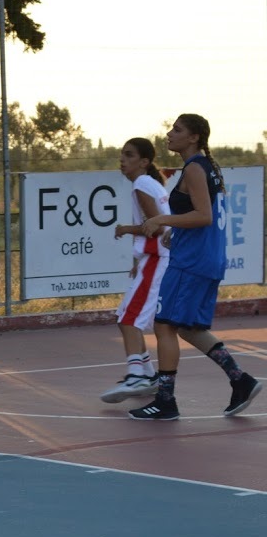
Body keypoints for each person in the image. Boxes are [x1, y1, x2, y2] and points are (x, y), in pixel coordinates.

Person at [129, 114, 261, 420]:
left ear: (193, 137)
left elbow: (204, 216)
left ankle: (166, 401)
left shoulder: (194, 169)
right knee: (189, 328)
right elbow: (203, 213)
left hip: (192, 262)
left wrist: (162, 219)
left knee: (164, 325)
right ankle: (241, 380)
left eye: (177, 130)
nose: (169, 133)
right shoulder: (207, 167)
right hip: (205, 256)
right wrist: (177, 231)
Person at [101, 138, 170, 403]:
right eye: (122, 154)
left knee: (129, 318)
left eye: (129, 155)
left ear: (144, 162)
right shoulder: (149, 183)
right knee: (125, 316)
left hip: (158, 258)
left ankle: (136, 375)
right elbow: (158, 225)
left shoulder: (142, 184)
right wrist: (138, 260)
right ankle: (148, 374)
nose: (122, 160)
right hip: (153, 258)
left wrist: (125, 229)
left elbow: (157, 226)